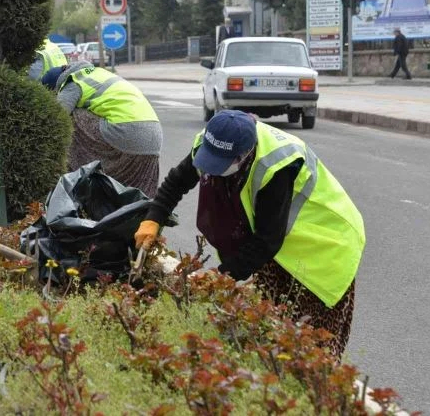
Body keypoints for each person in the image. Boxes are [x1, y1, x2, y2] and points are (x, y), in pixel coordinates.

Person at [134, 110, 365, 357]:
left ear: (244, 155)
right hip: (278, 248)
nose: (211, 170)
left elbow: (267, 241)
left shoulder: (275, 167)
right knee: (271, 333)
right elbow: (178, 181)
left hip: (323, 247)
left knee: (309, 349)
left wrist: (218, 278)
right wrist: (153, 218)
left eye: (220, 165)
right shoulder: (212, 141)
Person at [41, 60, 162, 198]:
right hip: (154, 138)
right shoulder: (98, 73)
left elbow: (57, 119)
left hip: (127, 132)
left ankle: (74, 174)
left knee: (71, 117)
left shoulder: (72, 82)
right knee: (137, 201)